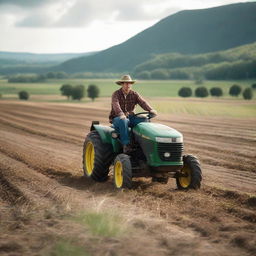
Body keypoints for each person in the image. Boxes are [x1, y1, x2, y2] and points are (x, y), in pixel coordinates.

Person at [109, 75, 157, 153]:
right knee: (123, 121)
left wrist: (151, 109)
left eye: (129, 83)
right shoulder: (116, 94)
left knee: (145, 120)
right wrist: (121, 114)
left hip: (131, 117)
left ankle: (144, 144)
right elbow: (115, 105)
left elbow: (142, 102)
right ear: (122, 84)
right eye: (126, 83)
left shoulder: (134, 94)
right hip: (118, 118)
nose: (128, 85)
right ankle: (126, 145)